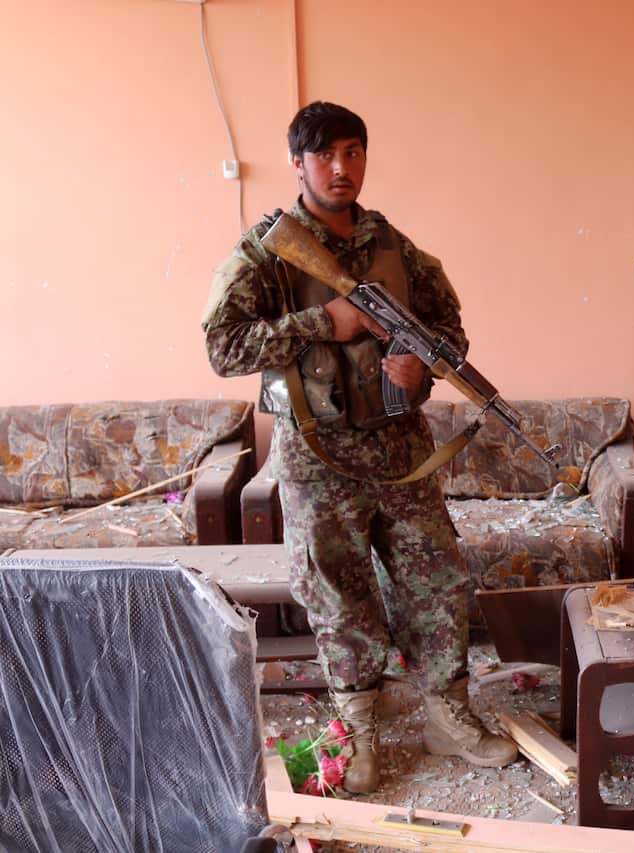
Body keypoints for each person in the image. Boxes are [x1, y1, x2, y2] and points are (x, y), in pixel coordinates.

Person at [201, 101, 516, 793]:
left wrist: (419, 363)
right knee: (338, 594)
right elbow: (222, 346)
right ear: (297, 163)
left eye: (353, 152)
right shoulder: (266, 253)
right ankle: (359, 728)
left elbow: (447, 329)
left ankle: (446, 712)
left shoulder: (392, 244)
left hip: (401, 448)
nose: (342, 168)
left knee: (436, 580)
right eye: (325, 155)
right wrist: (324, 321)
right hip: (319, 458)